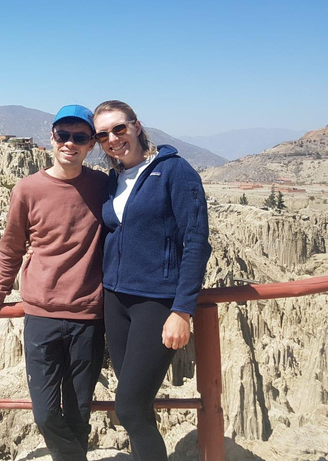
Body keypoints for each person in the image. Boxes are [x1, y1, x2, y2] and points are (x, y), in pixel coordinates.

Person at [0, 105, 108, 461]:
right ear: (52, 137)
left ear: (91, 144)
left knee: (79, 410)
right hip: (42, 315)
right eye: (64, 135)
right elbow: (11, 246)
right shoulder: (28, 189)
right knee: (46, 412)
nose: (70, 143)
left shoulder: (102, 186)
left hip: (88, 315)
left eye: (80, 138)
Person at [91, 100, 212, 461]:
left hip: (155, 304)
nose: (112, 139)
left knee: (128, 406)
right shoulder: (115, 179)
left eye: (119, 129)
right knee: (137, 406)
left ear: (137, 126)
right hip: (116, 300)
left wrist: (182, 310)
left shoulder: (175, 171)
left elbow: (196, 242)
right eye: (103, 135)